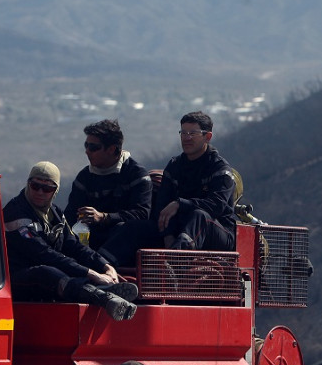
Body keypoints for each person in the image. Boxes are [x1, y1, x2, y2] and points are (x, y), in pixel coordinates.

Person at [98, 111, 237, 267]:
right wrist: (167, 235)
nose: (187, 137)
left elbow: (217, 205)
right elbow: (162, 208)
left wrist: (180, 203)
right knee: (134, 227)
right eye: (183, 132)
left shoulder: (219, 168)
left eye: (193, 133)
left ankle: (174, 266)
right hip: (178, 230)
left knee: (199, 216)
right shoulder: (175, 166)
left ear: (207, 136)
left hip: (216, 232)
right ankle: (100, 267)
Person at [3, 161, 137, 321]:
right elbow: (42, 253)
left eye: (47, 188)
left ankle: (104, 290)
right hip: (16, 278)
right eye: (35, 185)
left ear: (55, 191)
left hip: (50, 274)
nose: (40, 192)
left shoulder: (56, 214)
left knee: (59, 271)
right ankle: (104, 298)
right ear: (28, 184)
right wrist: (92, 274)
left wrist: (105, 266)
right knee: (46, 272)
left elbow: (74, 246)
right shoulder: (15, 212)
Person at [64, 119, 152, 251]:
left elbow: (142, 214)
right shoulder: (84, 177)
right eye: (86, 145)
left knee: (127, 228)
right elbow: (70, 215)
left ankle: (100, 263)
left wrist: (104, 217)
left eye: (93, 147)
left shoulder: (136, 175)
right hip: (90, 240)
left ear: (111, 149)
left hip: (124, 242)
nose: (87, 151)